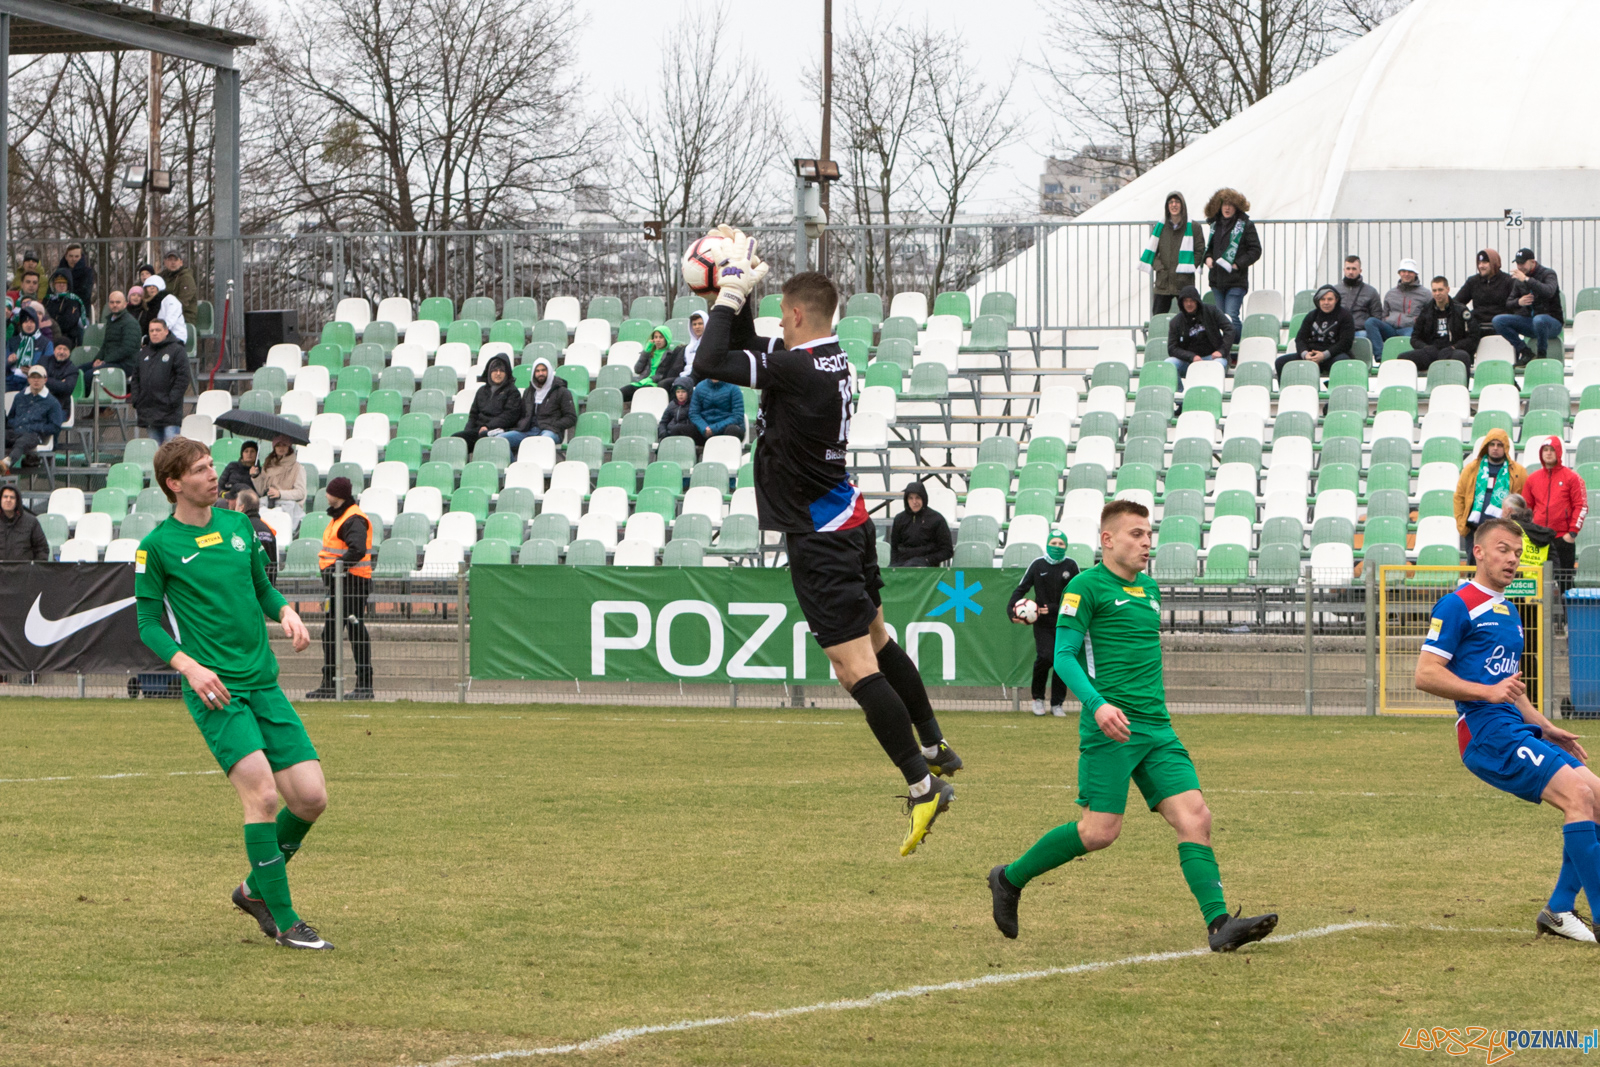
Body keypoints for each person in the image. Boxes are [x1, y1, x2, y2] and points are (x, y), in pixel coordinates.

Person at [692, 228, 962, 857]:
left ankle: (923, 787)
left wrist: (728, 298)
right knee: (877, 638)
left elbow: (710, 364)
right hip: (847, 518)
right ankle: (932, 742)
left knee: (851, 669)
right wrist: (746, 297)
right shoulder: (827, 359)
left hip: (820, 537)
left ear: (795, 315)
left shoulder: (795, 368)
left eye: (779, 317)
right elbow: (742, 350)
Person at [987, 500, 1278, 950]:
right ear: (1108, 540)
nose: (1147, 543)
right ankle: (1009, 878)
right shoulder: (1084, 587)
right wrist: (1098, 706)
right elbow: (1062, 657)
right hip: (1110, 726)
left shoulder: (1150, 588)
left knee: (1196, 818)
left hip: (1156, 728)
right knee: (1100, 831)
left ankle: (1220, 926)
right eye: (1137, 534)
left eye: (1149, 534)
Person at [133, 437, 330, 950]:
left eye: (209, 466)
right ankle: (286, 921)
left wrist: (285, 611)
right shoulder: (155, 546)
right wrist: (189, 667)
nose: (211, 475)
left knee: (310, 798)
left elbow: (261, 588)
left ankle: (252, 889)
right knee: (263, 797)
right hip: (216, 689)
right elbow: (148, 624)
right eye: (199, 470)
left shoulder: (239, 525)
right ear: (175, 483)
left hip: (263, 682)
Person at [1413, 517, 1600, 944]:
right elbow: (1425, 675)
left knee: (1597, 799)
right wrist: (1487, 691)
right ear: (1478, 551)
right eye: (1503, 549)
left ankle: (1558, 910)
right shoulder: (1457, 604)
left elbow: (1510, 687)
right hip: (1484, 734)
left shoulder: (1509, 609)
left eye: (1517, 552)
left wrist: (1545, 725)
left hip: (1517, 728)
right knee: (1579, 796)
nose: (1512, 559)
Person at [304, 476, 373, 702]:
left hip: (352, 582)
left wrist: (335, 569)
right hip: (340, 582)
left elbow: (357, 550)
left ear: (339, 495)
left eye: (330, 491)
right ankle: (330, 684)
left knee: (354, 631)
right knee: (331, 633)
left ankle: (364, 685)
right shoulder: (342, 517)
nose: (326, 494)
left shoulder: (353, 519)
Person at [1007, 527, 1080, 717]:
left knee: (1061, 662)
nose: (1057, 547)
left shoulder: (1071, 566)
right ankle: (1037, 699)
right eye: (1054, 543)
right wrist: (1010, 611)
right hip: (1042, 623)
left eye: (1061, 544)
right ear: (1047, 545)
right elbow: (1021, 589)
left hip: (1065, 621)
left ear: (1066, 546)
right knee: (1046, 657)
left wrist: (1055, 608)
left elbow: (1077, 596)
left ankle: (1057, 703)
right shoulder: (1038, 564)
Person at [1499, 493, 1555, 712]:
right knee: (1532, 653)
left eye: (1504, 512)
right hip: (1538, 602)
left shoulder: (1511, 535)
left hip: (1511, 601)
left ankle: (1512, 702)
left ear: (1511, 513)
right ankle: (1536, 702)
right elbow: (1555, 566)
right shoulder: (1543, 535)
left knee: (1509, 654)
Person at [1521, 435, 1586, 589]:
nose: (1548, 453)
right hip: (1537, 538)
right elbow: (1525, 509)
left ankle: (1567, 614)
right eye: (1545, 450)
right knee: (1535, 582)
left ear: (1558, 452)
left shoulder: (1572, 477)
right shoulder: (1532, 479)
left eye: (1552, 450)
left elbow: (1581, 506)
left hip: (1562, 538)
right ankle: (1534, 613)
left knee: (1565, 583)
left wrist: (1572, 533)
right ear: (1541, 453)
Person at [1454, 429, 1526, 553]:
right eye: (1492, 444)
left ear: (1506, 448)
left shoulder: (1518, 472)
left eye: (1499, 445)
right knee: (1474, 570)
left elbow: (1522, 502)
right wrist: (1462, 526)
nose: (1495, 448)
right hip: (1474, 531)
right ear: (1486, 446)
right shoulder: (1471, 469)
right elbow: (1459, 497)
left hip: (1504, 532)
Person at [1201, 188, 1260, 336]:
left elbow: (1255, 250)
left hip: (1236, 280)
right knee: (1221, 318)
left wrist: (1237, 264)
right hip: (1217, 279)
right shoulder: (1215, 225)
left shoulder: (1246, 225)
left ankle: (1235, 350)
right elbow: (1210, 248)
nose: (1227, 208)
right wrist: (1207, 258)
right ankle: (1226, 351)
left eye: (1231, 204)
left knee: (1231, 316)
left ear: (1237, 207)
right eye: (1224, 204)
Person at [1139, 192, 1204, 316]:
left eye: (1177, 202)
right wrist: (1160, 269)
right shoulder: (1160, 227)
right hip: (1163, 283)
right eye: (1171, 202)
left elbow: (1200, 251)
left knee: (1190, 319)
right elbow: (1153, 252)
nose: (1174, 205)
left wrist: (1189, 267)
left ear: (1182, 205)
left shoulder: (1194, 227)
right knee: (1158, 317)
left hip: (1184, 282)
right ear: (1167, 206)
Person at [1494, 248, 1563, 366]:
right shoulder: (1519, 279)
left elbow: (1549, 291)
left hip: (1551, 323)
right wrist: (1519, 302)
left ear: (1532, 261)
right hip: (1530, 322)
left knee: (1539, 319)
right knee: (1498, 321)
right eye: (1518, 263)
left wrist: (1527, 280)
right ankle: (1525, 352)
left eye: (1523, 263)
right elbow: (1509, 303)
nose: (1520, 267)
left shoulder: (1548, 274)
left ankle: (1541, 355)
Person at [129, 318, 190, 445]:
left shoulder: (177, 350)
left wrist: (171, 400)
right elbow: (135, 378)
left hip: (169, 412)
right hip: (149, 411)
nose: (154, 333)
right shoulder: (144, 353)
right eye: (151, 330)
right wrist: (137, 399)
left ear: (166, 331)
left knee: (171, 451)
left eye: (158, 330)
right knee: (156, 453)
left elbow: (183, 378)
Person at [501, 357, 576, 455]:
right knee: (500, 440)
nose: (540, 373)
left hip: (550, 431)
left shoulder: (562, 392)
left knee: (542, 442)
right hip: (528, 430)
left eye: (543, 370)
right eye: (537, 371)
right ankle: (514, 465)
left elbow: (571, 418)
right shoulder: (529, 392)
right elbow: (522, 415)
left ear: (549, 371)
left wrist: (554, 425)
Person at [1276, 284, 1352, 379]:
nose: (1326, 302)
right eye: (1322, 299)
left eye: (1330, 299)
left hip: (1333, 355)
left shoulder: (1345, 316)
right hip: (1311, 355)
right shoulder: (1312, 315)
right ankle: (1287, 391)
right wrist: (1305, 355)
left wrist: (1324, 355)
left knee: (1343, 362)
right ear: (1318, 301)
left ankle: (1333, 390)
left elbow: (1346, 343)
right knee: (1280, 362)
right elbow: (1300, 339)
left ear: (1336, 300)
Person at [1165, 284, 1235, 385]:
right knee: (1169, 363)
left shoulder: (1212, 311)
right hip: (1189, 361)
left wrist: (1222, 351)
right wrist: (1191, 357)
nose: (1189, 304)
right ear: (1181, 303)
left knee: (1218, 365)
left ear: (1197, 301)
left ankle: (1212, 395)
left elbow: (1230, 329)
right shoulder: (1176, 322)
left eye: (1192, 300)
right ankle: (1181, 396)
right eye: (1186, 301)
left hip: (1213, 358)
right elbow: (1172, 348)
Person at [2, 366, 63, 476]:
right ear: (28, 379)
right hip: (15, 432)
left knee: (22, 442)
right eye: (33, 377)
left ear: (45, 380)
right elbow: (11, 417)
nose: (36, 380)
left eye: (39, 377)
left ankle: (7, 462)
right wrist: (14, 424)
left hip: (34, 435)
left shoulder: (52, 402)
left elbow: (55, 426)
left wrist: (36, 428)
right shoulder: (19, 397)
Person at [1404, 276, 1475, 371]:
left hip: (1453, 350)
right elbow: (1414, 338)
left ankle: (1461, 385)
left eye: (1440, 290)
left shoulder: (1460, 310)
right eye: (1434, 290)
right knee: (1403, 359)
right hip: (1431, 351)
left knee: (1463, 357)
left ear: (1447, 289)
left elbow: (1473, 337)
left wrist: (1454, 347)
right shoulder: (1426, 311)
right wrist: (1425, 347)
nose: (1437, 294)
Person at [451, 354, 520, 450]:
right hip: (479, 429)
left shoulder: (512, 392)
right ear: (489, 372)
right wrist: (468, 431)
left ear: (507, 373)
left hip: (500, 430)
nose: (498, 373)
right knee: (457, 439)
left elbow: (509, 416)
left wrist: (488, 426)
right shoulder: (481, 391)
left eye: (502, 371)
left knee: (484, 437)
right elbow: (473, 415)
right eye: (495, 370)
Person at [1364, 259, 1427, 356]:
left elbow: (1429, 315)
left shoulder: (1425, 294)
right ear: (1399, 273)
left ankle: (1405, 360)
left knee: (1410, 337)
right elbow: (1384, 313)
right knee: (1370, 322)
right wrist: (1387, 320)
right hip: (1391, 328)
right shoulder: (1390, 293)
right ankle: (1380, 357)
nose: (1406, 274)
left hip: (1410, 329)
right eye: (1403, 271)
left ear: (1415, 274)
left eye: (1410, 271)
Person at [888, 481, 953, 568]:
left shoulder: (936, 519)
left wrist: (928, 560)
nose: (914, 502)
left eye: (917, 497)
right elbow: (894, 548)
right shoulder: (899, 519)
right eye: (910, 498)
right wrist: (893, 567)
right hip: (902, 565)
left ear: (924, 498)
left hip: (927, 567)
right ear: (906, 500)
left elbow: (947, 550)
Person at [1456, 250, 1514, 342]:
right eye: (1479, 263)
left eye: (1485, 262)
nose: (1481, 266)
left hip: (1500, 326)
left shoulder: (1508, 281)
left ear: (1494, 263)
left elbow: (1515, 305)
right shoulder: (1473, 281)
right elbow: (1457, 302)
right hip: (1477, 327)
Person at [253, 436, 307, 528]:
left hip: (288, 506)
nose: (281, 448)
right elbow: (261, 491)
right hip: (268, 503)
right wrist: (255, 476)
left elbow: (300, 493)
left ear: (289, 447)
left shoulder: (297, 468)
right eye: (278, 445)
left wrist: (280, 494)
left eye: (284, 445)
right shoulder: (268, 465)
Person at [622, 325, 685, 402]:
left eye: (661, 337)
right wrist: (646, 351)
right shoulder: (649, 352)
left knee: (642, 395)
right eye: (656, 337)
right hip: (642, 382)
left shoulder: (670, 355)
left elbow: (665, 375)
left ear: (666, 339)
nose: (658, 340)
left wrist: (651, 379)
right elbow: (637, 370)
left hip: (655, 384)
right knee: (620, 393)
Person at [234, 488, 278, 580]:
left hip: (250, 587)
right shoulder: (268, 529)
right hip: (268, 586)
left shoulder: (241, 529)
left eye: (236, 506)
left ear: (241, 507)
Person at [6, 306, 50, 391]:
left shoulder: (45, 343)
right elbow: (3, 366)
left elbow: (48, 366)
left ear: (36, 323)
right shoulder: (13, 341)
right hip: (11, 380)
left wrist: (33, 370)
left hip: (34, 381)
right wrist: (9, 361)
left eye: (32, 322)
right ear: (21, 324)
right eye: (25, 322)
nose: (29, 325)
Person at [689, 376, 745, 444]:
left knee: (733, 430)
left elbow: (737, 416)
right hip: (705, 429)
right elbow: (694, 413)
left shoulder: (734, 388)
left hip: (725, 428)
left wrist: (715, 428)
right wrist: (704, 428)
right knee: (681, 429)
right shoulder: (699, 387)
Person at [0, 484, 49, 560]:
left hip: (23, 571)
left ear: (17, 501)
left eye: (12, 497)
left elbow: (42, 549)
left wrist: (34, 569)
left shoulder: (31, 522)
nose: (8, 500)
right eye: (5, 497)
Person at [95, 291, 140, 373]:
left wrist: (105, 361)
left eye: (118, 302)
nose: (114, 305)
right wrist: (97, 359)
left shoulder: (130, 323)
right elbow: (105, 345)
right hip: (110, 361)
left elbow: (127, 349)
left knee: (88, 376)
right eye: (112, 302)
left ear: (125, 304)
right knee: (78, 371)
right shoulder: (111, 321)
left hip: (125, 364)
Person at [1335, 255, 1382, 333]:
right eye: (1348, 268)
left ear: (1360, 270)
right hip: (1339, 330)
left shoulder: (1371, 291)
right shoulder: (1335, 290)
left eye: (1354, 269)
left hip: (1360, 330)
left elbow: (1377, 317)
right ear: (1344, 270)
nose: (1350, 272)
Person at [45, 267, 87, 350]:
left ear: (69, 284)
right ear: (53, 284)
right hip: (48, 335)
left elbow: (68, 322)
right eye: (58, 282)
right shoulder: (47, 300)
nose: (61, 285)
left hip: (67, 338)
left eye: (64, 282)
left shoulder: (73, 300)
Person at [143, 274, 188, 345]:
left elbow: (169, 323)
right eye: (148, 286)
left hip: (175, 338)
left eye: (154, 286)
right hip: (156, 338)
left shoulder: (170, 300)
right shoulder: (149, 305)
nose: (151, 288)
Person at [657, 375, 697, 441]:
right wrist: (663, 433)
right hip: (670, 434)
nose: (680, 394)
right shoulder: (672, 404)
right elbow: (663, 422)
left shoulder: (694, 404)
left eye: (683, 392)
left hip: (686, 436)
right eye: (678, 392)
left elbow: (693, 425)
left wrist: (677, 428)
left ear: (689, 392)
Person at [160, 249, 199, 317]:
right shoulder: (161, 277)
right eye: (170, 260)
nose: (173, 263)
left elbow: (183, 301)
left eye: (175, 260)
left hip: (184, 314)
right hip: (164, 313)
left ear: (181, 262)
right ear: (165, 262)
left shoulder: (186, 278)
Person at [41, 340, 80, 406]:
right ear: (54, 350)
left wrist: (45, 380)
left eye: (65, 349)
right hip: (40, 400)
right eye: (59, 348)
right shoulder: (44, 361)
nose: (62, 352)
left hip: (60, 404)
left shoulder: (72, 369)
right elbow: (35, 379)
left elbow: (67, 388)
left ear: (69, 352)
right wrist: (59, 382)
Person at [60, 243, 95, 313]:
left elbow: (86, 293)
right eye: (71, 256)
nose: (74, 259)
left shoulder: (87, 272)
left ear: (81, 257)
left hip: (80, 310)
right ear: (66, 257)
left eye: (76, 256)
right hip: (61, 309)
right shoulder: (59, 272)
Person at [681, 310, 708, 375]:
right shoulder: (688, 348)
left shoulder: (710, 345)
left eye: (700, 324)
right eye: (694, 324)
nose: (697, 327)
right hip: (686, 376)